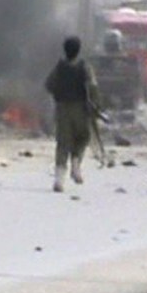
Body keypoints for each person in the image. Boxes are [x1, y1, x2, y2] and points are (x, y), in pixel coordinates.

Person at [45, 36, 99, 193]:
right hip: (80, 109)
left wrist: (58, 94)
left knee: (62, 143)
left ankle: (59, 180)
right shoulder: (84, 67)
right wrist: (96, 104)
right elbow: (92, 86)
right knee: (83, 137)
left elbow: (49, 85)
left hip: (62, 109)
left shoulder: (59, 67)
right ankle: (76, 162)